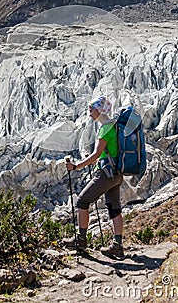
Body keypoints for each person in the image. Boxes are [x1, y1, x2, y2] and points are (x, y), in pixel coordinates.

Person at [64, 95, 124, 258]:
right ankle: (118, 246)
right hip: (117, 174)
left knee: (82, 201)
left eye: (91, 110)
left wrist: (76, 166)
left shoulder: (105, 128)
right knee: (115, 208)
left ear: (99, 110)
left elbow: (96, 155)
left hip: (106, 173)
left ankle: (81, 240)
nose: (89, 113)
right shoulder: (115, 126)